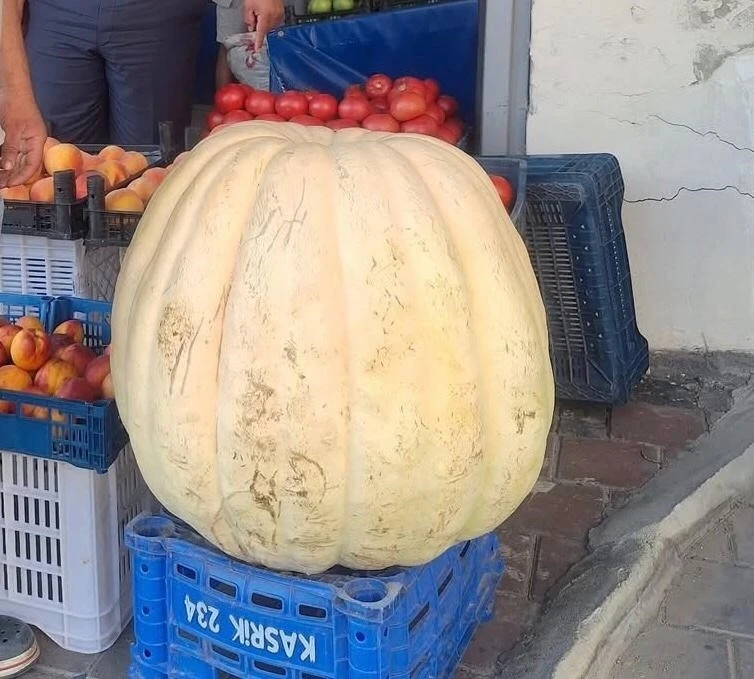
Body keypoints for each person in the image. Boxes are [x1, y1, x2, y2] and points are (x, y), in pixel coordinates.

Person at [0, 0, 285, 189]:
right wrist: (13, 95)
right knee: (57, 174)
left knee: (148, 171)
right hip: (55, 15)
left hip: (156, 13)